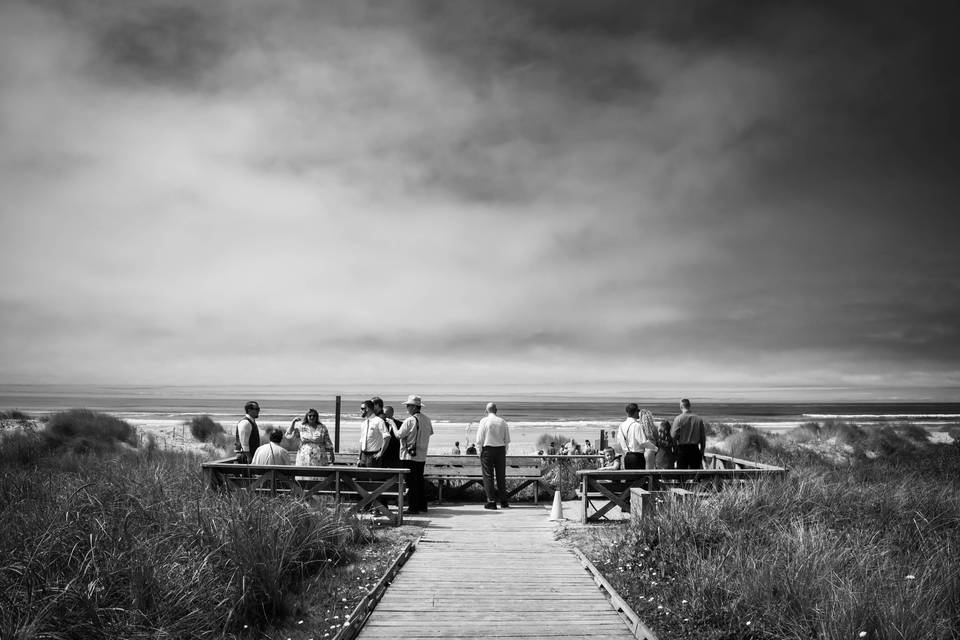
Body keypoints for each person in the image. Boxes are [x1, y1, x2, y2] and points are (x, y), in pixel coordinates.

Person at [397, 395, 433, 514]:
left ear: (413, 407)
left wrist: (392, 425)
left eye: (408, 405)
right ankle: (422, 505)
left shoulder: (410, 420)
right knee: (419, 481)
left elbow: (399, 435)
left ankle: (413, 507)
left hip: (409, 455)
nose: (407, 407)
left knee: (410, 483)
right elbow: (430, 433)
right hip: (421, 455)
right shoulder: (427, 419)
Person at [476, 402, 511, 510]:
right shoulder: (502, 421)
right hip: (500, 449)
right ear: (496, 410)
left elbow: (479, 439)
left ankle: (491, 501)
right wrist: (504, 451)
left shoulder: (484, 421)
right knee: (501, 476)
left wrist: (479, 452)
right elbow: (507, 440)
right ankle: (504, 501)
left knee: (488, 476)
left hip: (488, 450)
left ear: (486, 411)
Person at [616, 403, 657, 470]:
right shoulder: (636, 425)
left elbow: (618, 443)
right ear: (635, 412)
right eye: (638, 411)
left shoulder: (621, 425)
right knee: (639, 478)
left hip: (627, 457)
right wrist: (656, 449)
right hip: (637, 457)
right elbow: (643, 443)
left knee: (629, 479)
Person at [671, 398, 707, 469]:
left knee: (681, 475)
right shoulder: (698, 419)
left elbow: (673, 436)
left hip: (682, 449)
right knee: (695, 474)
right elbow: (703, 437)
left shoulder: (678, 419)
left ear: (681, 407)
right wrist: (702, 450)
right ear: (689, 406)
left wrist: (675, 449)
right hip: (695, 449)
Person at [358, 399, 390, 467]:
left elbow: (387, 437)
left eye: (362, 408)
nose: (360, 411)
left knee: (373, 476)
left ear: (367, 409)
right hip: (363, 456)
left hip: (373, 455)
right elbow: (361, 441)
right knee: (361, 477)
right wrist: (359, 457)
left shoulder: (379, 421)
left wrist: (381, 453)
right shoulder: (364, 423)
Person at [381, 404, 403, 468]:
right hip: (383, 456)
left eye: (384, 414)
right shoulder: (381, 424)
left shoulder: (400, 424)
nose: (382, 415)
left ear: (391, 414)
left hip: (395, 455)